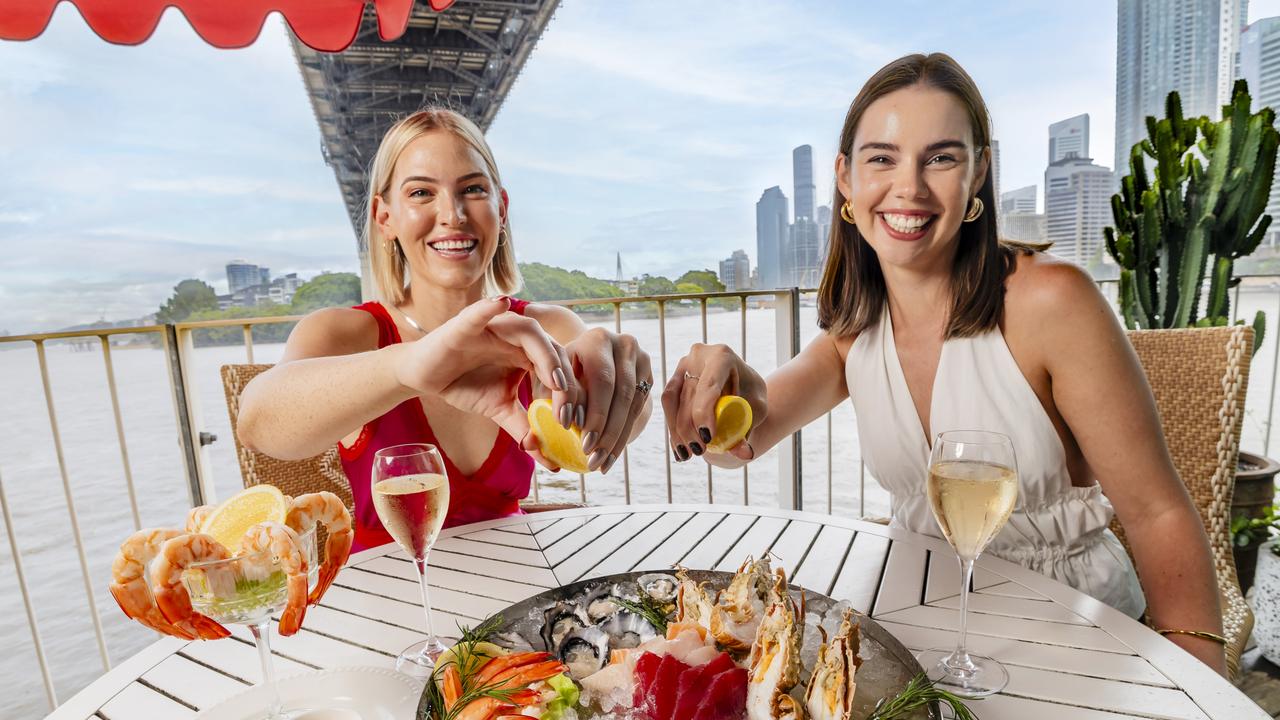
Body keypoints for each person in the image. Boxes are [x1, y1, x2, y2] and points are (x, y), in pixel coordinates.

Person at [662, 53, 1227, 674]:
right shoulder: (854, 336)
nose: (910, 187)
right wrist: (717, 395)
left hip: (1073, 632)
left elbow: (1158, 513)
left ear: (978, 171)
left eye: (940, 157)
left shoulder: (1052, 302)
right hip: (922, 625)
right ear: (846, 179)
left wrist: (1197, 677)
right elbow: (741, 437)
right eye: (883, 157)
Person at [237, 108, 652, 551]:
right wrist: (407, 366)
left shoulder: (544, 327)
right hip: (388, 590)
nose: (452, 214)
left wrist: (623, 376)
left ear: (501, 207)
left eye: (472, 189)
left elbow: (622, 418)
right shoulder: (345, 332)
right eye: (421, 193)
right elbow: (258, 424)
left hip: (518, 578)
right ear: (385, 217)